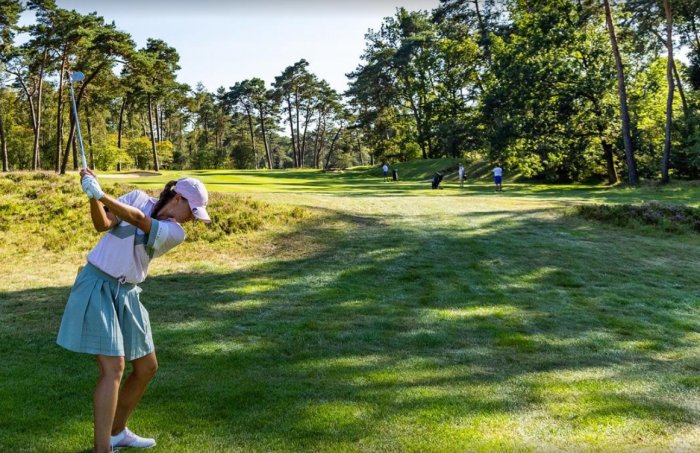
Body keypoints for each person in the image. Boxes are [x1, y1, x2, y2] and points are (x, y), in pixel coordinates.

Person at [57, 168, 211, 453]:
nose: (192, 219)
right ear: (178, 198)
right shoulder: (136, 197)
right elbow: (103, 224)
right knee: (113, 367)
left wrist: (102, 193)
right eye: (192, 211)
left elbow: (139, 220)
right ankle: (102, 448)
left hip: (127, 293)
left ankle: (117, 432)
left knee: (146, 367)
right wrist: (93, 198)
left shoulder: (176, 232)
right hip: (97, 284)